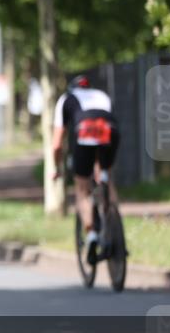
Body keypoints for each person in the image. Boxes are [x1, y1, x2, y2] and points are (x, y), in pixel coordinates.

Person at [52, 74, 121, 263]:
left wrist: (56, 168)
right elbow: (109, 122)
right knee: (104, 172)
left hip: (84, 133)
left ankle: (91, 235)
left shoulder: (65, 99)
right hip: (110, 131)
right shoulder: (101, 95)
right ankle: (112, 214)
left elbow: (57, 143)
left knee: (82, 190)